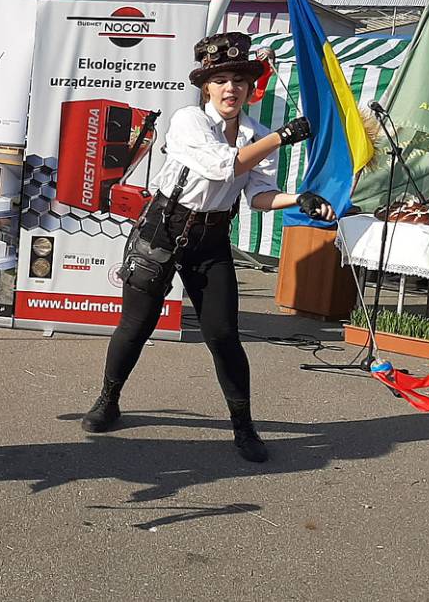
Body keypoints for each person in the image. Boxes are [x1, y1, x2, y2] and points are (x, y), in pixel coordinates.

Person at [80, 31, 335, 464]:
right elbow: (222, 166)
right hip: (163, 229)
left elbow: (258, 195)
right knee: (137, 325)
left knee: (223, 335)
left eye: (239, 81)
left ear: (251, 88)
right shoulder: (189, 121)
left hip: (211, 238)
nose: (230, 88)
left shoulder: (257, 134)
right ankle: (108, 399)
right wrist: (282, 137)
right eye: (220, 80)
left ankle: (244, 426)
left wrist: (300, 198)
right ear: (206, 88)